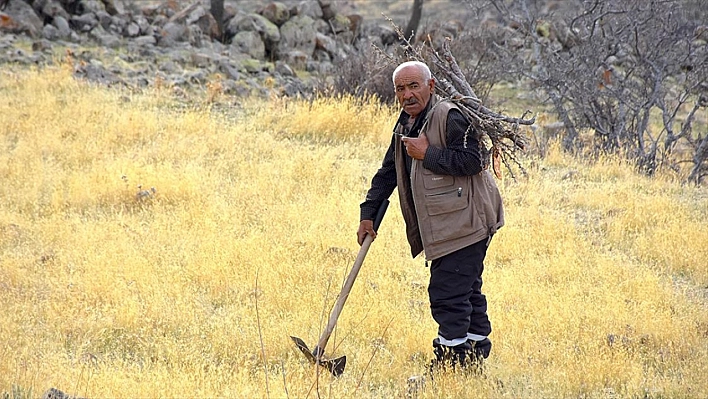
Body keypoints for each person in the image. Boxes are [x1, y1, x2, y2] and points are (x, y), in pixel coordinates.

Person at [357, 60, 504, 373]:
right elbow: (389, 171)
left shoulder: (449, 116)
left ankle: (451, 363)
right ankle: (474, 356)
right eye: (401, 88)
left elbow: (473, 161)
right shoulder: (406, 123)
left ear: (431, 86)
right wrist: (369, 213)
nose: (408, 94)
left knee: (448, 293)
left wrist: (429, 155)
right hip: (449, 224)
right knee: (465, 289)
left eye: (414, 86)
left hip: (468, 223)